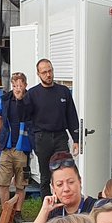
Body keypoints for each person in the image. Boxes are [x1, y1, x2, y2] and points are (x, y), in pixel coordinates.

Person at [27, 59, 80, 197]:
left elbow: (71, 116)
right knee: (45, 177)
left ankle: (67, 207)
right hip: (42, 138)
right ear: (38, 74)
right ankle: (48, 211)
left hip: (60, 137)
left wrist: (76, 139)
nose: (48, 75)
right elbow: (25, 118)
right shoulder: (32, 94)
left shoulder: (63, 91)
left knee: (66, 172)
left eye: (50, 71)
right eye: (44, 72)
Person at [25, 152, 95, 223]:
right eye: (59, 184)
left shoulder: (95, 208)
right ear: (53, 188)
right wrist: (44, 211)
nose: (66, 189)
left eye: (71, 182)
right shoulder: (54, 212)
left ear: (80, 181)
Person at [0, 71, 32, 217]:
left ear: (25, 86)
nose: (17, 88)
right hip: (7, 147)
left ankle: (17, 212)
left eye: (20, 85)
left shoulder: (29, 100)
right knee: (3, 182)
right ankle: (5, 212)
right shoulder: (4, 99)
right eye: (15, 85)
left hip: (22, 147)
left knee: (20, 183)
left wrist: (20, 100)